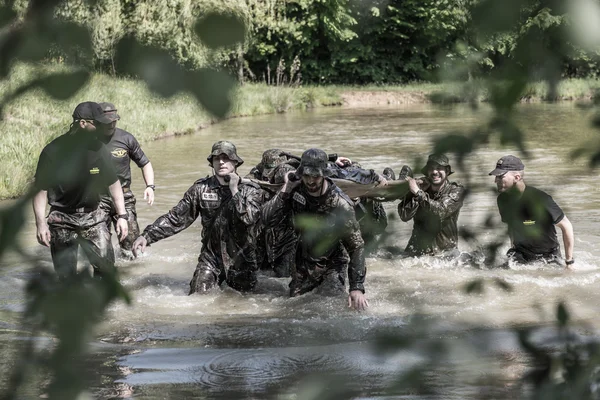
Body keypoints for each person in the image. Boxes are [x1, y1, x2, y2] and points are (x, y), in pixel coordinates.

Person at [131, 141, 263, 294]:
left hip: (242, 261)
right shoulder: (200, 189)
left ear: (235, 162)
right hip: (210, 259)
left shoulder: (250, 191)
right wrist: (147, 236)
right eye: (216, 158)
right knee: (197, 297)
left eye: (225, 158)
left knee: (244, 305)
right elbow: (176, 218)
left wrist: (234, 190)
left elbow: (249, 219)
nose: (221, 162)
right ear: (211, 163)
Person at [262, 148, 369, 311]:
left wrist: (357, 287)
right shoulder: (296, 190)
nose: (311, 181)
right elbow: (268, 220)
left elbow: (356, 246)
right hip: (303, 264)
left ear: (324, 174)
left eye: (316, 176)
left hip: (332, 265)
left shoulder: (340, 204)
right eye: (306, 176)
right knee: (292, 311)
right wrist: (286, 188)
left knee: (329, 310)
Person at [32, 101, 128, 279]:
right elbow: (41, 190)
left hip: (93, 217)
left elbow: (113, 183)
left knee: (106, 271)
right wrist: (40, 223)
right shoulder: (52, 151)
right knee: (66, 277)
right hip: (61, 218)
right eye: (97, 123)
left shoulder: (99, 149)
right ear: (82, 123)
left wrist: (122, 216)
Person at [489, 155, 575, 269]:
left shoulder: (541, 199)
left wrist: (569, 262)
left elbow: (566, 225)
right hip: (520, 253)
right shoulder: (502, 200)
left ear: (517, 177)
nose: (496, 180)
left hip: (548, 256)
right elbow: (511, 225)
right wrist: (512, 246)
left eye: (500, 176)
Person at [97, 102, 155, 260]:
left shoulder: (126, 138)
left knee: (132, 247)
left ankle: (135, 277)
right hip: (97, 199)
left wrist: (150, 186)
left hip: (125, 196)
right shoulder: (89, 141)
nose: (111, 124)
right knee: (100, 246)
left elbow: (145, 163)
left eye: (114, 120)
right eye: (107, 122)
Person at [398, 154, 465, 257]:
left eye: (439, 168)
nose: (434, 172)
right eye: (431, 169)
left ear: (447, 171)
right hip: (416, 252)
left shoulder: (456, 190)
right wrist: (413, 194)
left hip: (445, 253)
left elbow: (441, 211)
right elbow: (404, 216)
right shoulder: (419, 188)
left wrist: (418, 193)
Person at [246, 149, 297, 277]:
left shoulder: (291, 172)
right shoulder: (257, 174)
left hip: (288, 240)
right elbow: (247, 180)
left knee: (284, 276)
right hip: (263, 238)